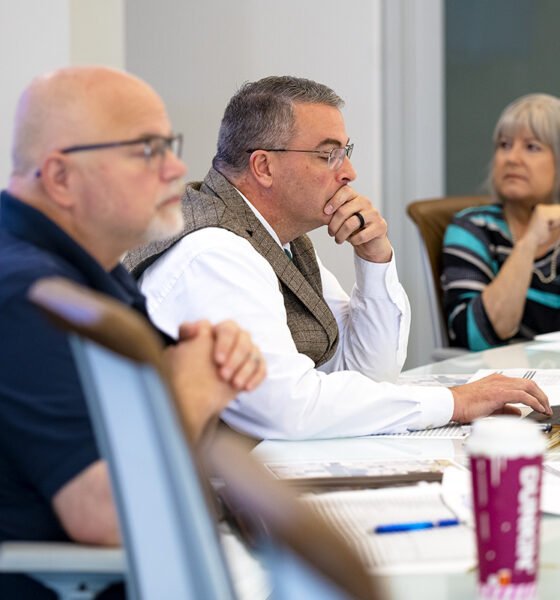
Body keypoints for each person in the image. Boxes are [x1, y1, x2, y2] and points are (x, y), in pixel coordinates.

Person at [126, 75, 551, 441]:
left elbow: (370, 371)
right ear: (264, 167)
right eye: (328, 154)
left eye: (346, 152)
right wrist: (453, 403)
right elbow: (287, 408)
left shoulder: (283, 242)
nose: (348, 173)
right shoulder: (215, 252)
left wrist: (374, 260)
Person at [0, 66, 265, 599]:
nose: (177, 168)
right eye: (148, 150)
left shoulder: (90, 267)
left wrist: (212, 363)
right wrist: (190, 391)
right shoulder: (28, 295)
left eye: (170, 145)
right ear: (60, 178)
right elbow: (107, 516)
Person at [442, 93, 560, 350]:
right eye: (504, 145)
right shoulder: (472, 229)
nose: (512, 158)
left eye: (531, 147)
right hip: (498, 382)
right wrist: (529, 242)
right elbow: (474, 338)